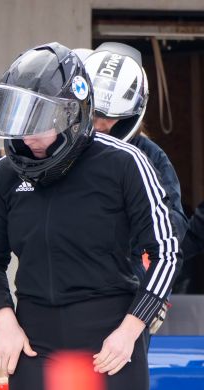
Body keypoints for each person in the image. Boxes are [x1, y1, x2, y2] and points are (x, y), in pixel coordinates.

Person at [0, 42, 180, 390]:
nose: (26, 135)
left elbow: (165, 250)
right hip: (34, 342)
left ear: (69, 113)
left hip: (110, 341)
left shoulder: (125, 163)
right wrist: (3, 320)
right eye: (18, 119)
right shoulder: (7, 175)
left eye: (38, 121)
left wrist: (131, 330)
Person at [81, 42, 187, 269]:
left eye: (111, 117)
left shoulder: (151, 156)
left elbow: (175, 226)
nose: (100, 125)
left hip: (131, 281)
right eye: (94, 114)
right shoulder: (67, 147)